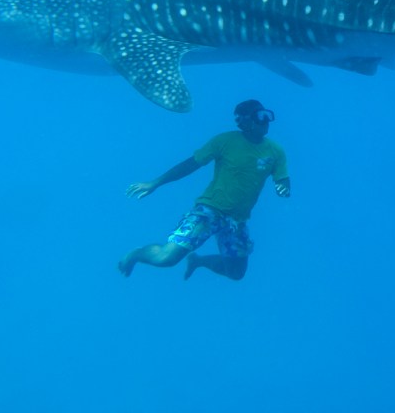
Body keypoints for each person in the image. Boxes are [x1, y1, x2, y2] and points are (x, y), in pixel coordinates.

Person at [119, 99, 290, 281]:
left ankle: (197, 261)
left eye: (267, 116)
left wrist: (283, 187)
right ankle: (136, 254)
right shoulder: (225, 141)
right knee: (166, 259)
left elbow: (282, 178)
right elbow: (191, 164)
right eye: (260, 117)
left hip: (237, 221)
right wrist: (155, 183)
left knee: (236, 273)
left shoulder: (276, 151)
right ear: (244, 122)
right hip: (209, 211)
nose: (265, 122)